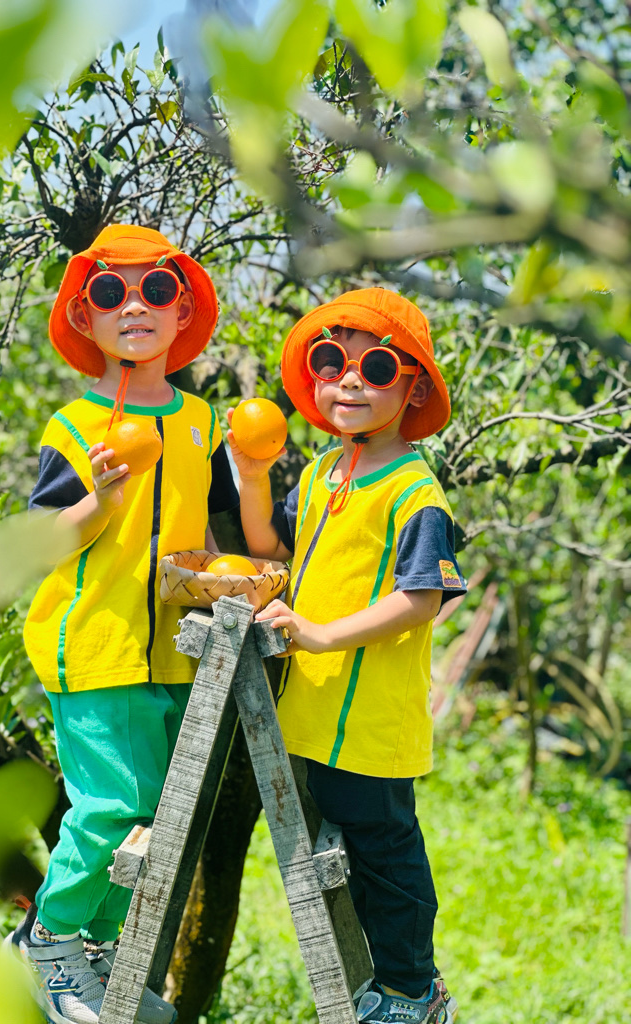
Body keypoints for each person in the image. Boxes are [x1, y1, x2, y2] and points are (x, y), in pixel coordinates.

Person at [8, 225, 238, 1024]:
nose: (133, 306)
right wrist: (100, 501)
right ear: (86, 315)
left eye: (155, 290)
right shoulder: (75, 425)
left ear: (183, 311)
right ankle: (48, 941)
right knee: (109, 807)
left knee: (149, 821)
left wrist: (233, 578)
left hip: (174, 650)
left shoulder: (201, 419)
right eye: (110, 292)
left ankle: (98, 954)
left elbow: (203, 531)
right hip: (95, 640)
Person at [227, 288, 464, 1024]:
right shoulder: (323, 471)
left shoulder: (414, 494)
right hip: (316, 712)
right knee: (352, 854)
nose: (350, 381)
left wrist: (322, 634)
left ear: (413, 387)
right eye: (331, 363)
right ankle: (388, 985)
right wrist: (253, 479)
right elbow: (274, 550)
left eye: (377, 368)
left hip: (370, 721)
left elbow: (422, 598)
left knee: (387, 857)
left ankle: (415, 990)